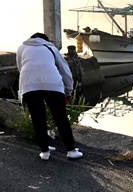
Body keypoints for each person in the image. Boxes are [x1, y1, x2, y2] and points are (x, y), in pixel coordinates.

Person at [16, 33, 83, 161]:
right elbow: (65, 70)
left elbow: (21, 67)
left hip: (29, 84)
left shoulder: (21, 48)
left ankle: (45, 152)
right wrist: (68, 91)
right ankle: (71, 151)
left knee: (38, 119)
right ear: (45, 40)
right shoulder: (51, 48)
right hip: (53, 84)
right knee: (61, 118)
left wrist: (29, 84)